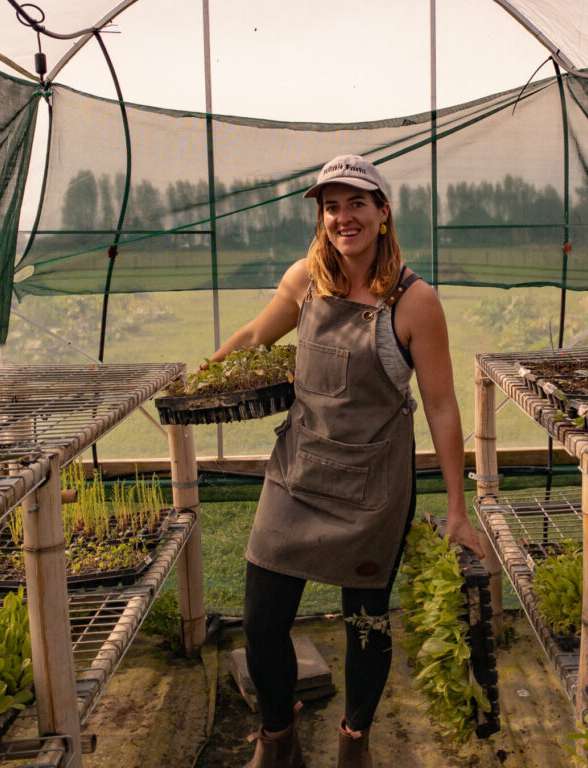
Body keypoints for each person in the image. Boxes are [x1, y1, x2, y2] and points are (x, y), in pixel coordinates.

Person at [204, 154, 484, 768]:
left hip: (373, 489)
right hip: (298, 474)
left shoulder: (414, 303)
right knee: (261, 620)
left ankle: (353, 741)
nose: (342, 217)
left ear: (383, 213)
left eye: (356, 203)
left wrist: (457, 510)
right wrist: (202, 377)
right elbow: (257, 337)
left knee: (366, 627)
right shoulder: (305, 279)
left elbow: (440, 408)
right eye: (331, 206)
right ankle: (278, 739)